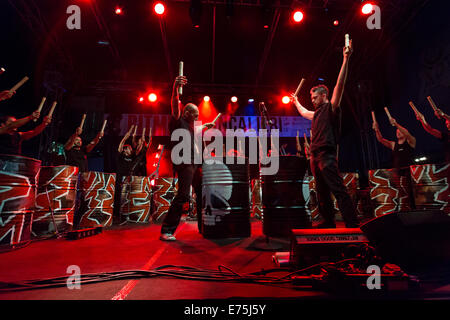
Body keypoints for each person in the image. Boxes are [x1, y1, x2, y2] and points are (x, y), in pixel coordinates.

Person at [291, 40, 359, 228]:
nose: (312, 100)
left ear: (323, 95)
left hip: (327, 155)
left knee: (338, 190)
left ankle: (352, 224)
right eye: (311, 98)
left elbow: (340, 85)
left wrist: (346, 59)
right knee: (321, 193)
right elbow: (304, 113)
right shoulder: (317, 114)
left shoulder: (331, 108)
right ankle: (328, 222)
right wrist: (296, 102)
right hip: (314, 156)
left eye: (315, 97)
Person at [160, 75, 215, 241]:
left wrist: (205, 126)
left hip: (197, 163)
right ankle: (166, 231)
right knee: (183, 195)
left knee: (202, 195)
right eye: (195, 115)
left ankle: (203, 228)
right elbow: (174, 106)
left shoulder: (193, 127)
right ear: (186, 113)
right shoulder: (178, 122)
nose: (198, 117)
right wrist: (175, 88)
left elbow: (197, 137)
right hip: (185, 163)